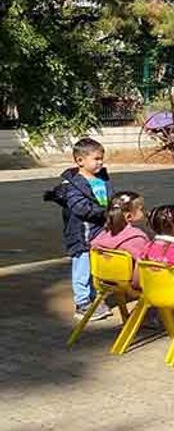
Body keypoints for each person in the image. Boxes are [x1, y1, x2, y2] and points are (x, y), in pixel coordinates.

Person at [45, 137, 113, 319]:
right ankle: (82, 303)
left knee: (95, 267)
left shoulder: (102, 179)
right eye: (96, 159)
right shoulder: (72, 185)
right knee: (82, 268)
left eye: (101, 158)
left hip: (99, 230)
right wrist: (106, 212)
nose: (100, 162)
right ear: (80, 161)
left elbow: (109, 199)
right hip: (81, 234)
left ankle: (94, 298)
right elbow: (81, 208)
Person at [90, 191, 150, 284]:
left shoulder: (103, 234)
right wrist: (136, 286)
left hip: (106, 282)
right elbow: (143, 264)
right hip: (130, 285)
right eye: (141, 210)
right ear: (129, 216)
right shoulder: (136, 239)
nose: (146, 212)